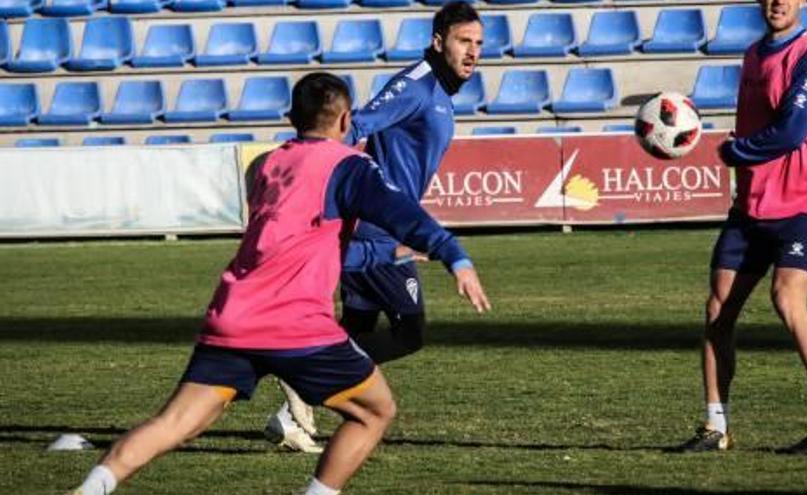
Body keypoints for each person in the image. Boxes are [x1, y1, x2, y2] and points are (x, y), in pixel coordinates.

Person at [68, 72, 490, 495]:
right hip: (297, 327)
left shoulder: (267, 165)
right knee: (374, 413)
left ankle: (91, 487)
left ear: (291, 117)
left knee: (175, 424)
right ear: (346, 121)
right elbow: (404, 215)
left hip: (233, 318)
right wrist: (455, 255)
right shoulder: (349, 167)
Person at [265, 0, 484, 451]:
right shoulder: (416, 85)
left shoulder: (439, 92)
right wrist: (318, 179)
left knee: (357, 329)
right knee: (409, 330)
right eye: (464, 41)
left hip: (384, 224)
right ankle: (303, 378)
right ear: (439, 42)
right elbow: (352, 126)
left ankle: (294, 403)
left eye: (479, 43)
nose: (473, 51)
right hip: (377, 226)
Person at [677, 0, 807, 454]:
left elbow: (793, 128)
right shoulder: (755, 54)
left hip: (805, 199)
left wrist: (737, 152)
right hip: (753, 204)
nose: (778, 2)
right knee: (718, 311)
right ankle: (716, 427)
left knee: (787, 298)